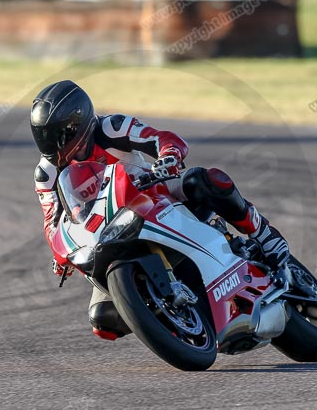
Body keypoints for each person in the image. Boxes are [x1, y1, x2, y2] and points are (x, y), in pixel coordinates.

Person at [31, 80, 290, 339]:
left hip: (152, 193)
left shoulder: (111, 128)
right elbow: (52, 222)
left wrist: (168, 156)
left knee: (203, 179)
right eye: (42, 137)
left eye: (56, 135)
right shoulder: (46, 173)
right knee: (104, 321)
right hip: (103, 231)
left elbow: (160, 139)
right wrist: (60, 253)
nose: (51, 144)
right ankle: (175, 321)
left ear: (77, 125)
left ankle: (264, 236)